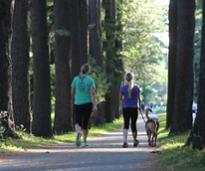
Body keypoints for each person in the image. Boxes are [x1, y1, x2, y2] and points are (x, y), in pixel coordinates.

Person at [71, 63, 97, 147]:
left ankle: (78, 133)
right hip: (87, 103)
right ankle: (84, 142)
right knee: (85, 122)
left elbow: (72, 92)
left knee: (77, 122)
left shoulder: (75, 79)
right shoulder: (90, 80)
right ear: (88, 71)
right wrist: (94, 105)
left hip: (77, 103)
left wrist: (75, 98)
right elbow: (92, 94)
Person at [120, 72, 141, 148]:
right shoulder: (136, 88)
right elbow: (139, 99)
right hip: (134, 108)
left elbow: (120, 99)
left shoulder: (123, 88)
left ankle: (125, 142)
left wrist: (124, 100)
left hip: (126, 108)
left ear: (126, 79)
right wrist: (140, 107)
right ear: (133, 78)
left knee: (126, 124)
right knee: (133, 125)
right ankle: (135, 140)